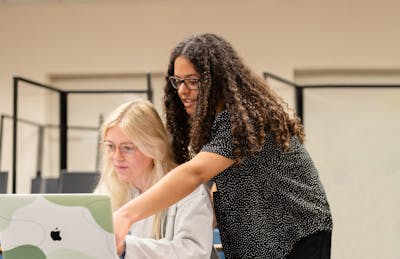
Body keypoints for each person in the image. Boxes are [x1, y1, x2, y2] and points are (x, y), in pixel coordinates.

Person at [113, 33, 333, 259]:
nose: (182, 90)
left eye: (192, 81)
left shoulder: (244, 120)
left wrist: (126, 215)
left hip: (296, 235)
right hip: (261, 240)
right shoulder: (212, 125)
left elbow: (195, 172)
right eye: (177, 81)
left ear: (216, 80)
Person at [95, 99, 214, 259]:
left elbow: (194, 253)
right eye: (110, 146)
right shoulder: (107, 189)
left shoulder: (188, 192)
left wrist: (127, 248)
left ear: (153, 148)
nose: (117, 157)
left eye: (127, 148)